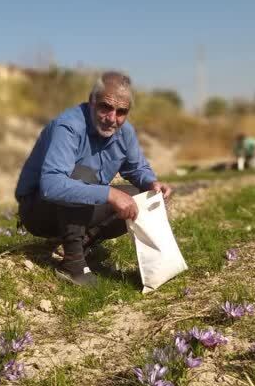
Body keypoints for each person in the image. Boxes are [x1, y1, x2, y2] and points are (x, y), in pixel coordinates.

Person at [15, 71, 172, 286]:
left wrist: (152, 183)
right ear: (91, 101)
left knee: (138, 198)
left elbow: (137, 168)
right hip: (38, 209)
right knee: (83, 177)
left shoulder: (124, 132)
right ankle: (72, 264)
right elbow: (51, 185)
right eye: (105, 107)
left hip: (76, 205)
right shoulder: (69, 126)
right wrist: (109, 193)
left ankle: (81, 243)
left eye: (121, 112)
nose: (112, 118)